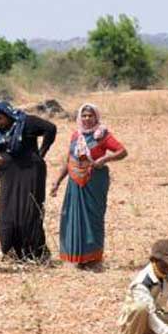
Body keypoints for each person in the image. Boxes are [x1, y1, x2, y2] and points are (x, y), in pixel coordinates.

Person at [51, 103, 127, 269]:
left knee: (93, 218)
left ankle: (93, 259)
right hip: (74, 182)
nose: (87, 119)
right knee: (71, 218)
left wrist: (105, 159)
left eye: (90, 115)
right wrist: (57, 181)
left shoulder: (102, 134)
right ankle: (76, 257)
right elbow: (69, 159)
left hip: (94, 181)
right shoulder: (76, 135)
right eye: (84, 115)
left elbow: (122, 151)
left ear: (96, 117)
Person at [0, 102, 57, 262]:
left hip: (30, 172)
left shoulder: (25, 122)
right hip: (9, 176)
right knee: (7, 213)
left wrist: (41, 153)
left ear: (8, 114)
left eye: (0, 118)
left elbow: (50, 128)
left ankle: (34, 253)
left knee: (29, 211)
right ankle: (12, 252)